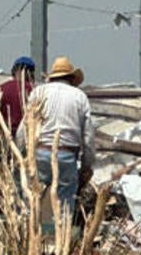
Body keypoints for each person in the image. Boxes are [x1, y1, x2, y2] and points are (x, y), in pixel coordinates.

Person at [17, 56, 94, 214]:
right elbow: (88, 138)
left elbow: (25, 127)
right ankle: (61, 235)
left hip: (40, 152)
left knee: (34, 198)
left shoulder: (38, 92)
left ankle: (33, 232)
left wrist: (20, 153)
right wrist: (87, 165)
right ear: (71, 78)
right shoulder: (80, 96)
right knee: (64, 203)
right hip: (67, 155)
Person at [0, 56, 36, 155]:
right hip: (28, 146)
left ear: (14, 70)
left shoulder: (0, 90)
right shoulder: (34, 93)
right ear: (31, 73)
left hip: (5, 144)